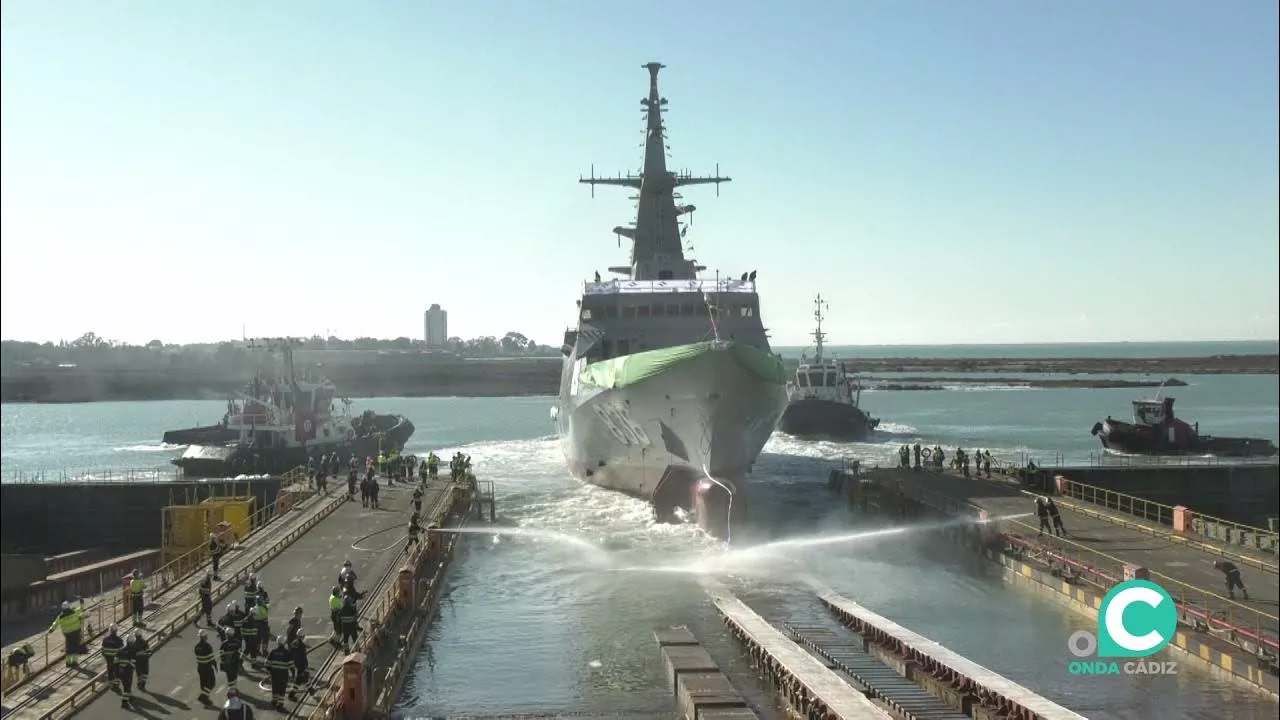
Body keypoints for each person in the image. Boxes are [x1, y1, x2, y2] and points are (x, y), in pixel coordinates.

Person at [47, 599, 85, 667]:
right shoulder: (74, 612)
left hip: (67, 634)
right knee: (75, 646)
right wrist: (82, 602)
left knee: (69, 647)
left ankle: (68, 662)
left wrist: (50, 630)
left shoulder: (61, 617)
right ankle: (74, 662)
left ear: (62, 608)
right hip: (76, 632)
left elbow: (55, 624)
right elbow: (82, 608)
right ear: (69, 607)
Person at [266, 636, 293, 711]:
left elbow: (267, 663)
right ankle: (280, 704)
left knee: (275, 687)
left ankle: (274, 701)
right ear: (284, 643)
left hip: (274, 675)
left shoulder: (273, 652)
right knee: (282, 689)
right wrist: (293, 675)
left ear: (277, 643)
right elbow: (291, 666)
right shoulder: (287, 653)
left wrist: (270, 670)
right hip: (284, 675)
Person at [195, 629, 218, 705]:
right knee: (212, 683)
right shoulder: (208, 646)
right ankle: (203, 697)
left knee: (203, 684)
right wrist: (215, 665)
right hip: (207, 668)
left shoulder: (196, 647)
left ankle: (205, 699)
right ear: (204, 637)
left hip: (200, 668)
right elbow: (211, 658)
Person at [115, 632, 138, 709]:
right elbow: (134, 662)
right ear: (132, 642)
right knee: (127, 686)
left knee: (125, 685)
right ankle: (124, 702)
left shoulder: (120, 650)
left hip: (120, 671)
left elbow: (115, 661)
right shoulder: (133, 650)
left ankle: (129, 696)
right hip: (128, 671)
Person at [101, 625, 123, 690]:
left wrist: (106, 658)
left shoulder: (105, 640)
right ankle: (116, 684)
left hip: (108, 660)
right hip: (116, 660)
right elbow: (121, 652)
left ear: (110, 631)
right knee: (117, 672)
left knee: (110, 671)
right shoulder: (119, 641)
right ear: (116, 631)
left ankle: (111, 684)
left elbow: (103, 651)